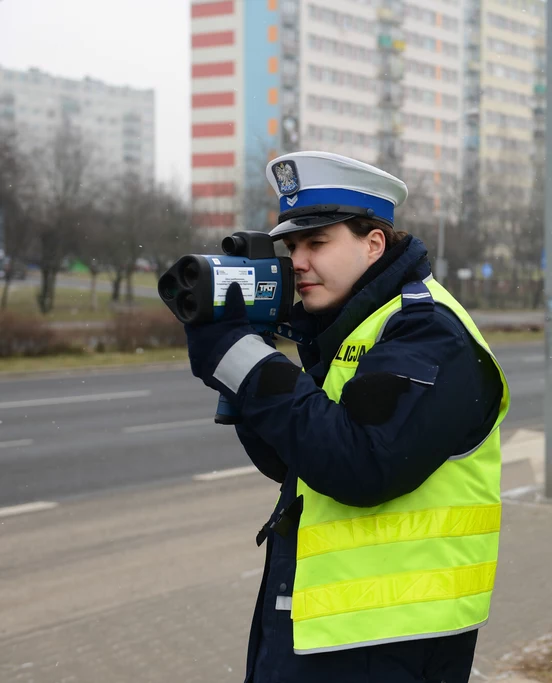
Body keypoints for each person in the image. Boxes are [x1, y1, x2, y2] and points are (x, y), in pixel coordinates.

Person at [183, 151, 510, 683]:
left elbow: (361, 466)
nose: (299, 261)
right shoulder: (346, 329)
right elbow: (291, 457)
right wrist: (246, 362)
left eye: (317, 243)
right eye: (291, 246)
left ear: (373, 243)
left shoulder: (427, 331)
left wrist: (248, 364)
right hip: (323, 628)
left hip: (392, 639)